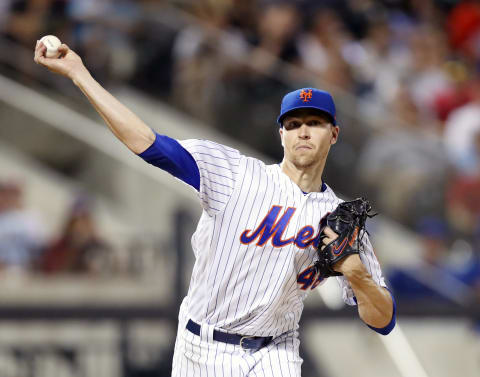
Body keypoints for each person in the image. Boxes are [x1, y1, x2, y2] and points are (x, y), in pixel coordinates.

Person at [34, 40, 395, 376]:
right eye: (293, 123)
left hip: (277, 350)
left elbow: (384, 321)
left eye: (314, 123)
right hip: (202, 347)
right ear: (280, 134)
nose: (303, 131)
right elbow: (149, 144)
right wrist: (80, 75)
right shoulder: (236, 174)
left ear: (333, 133)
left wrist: (356, 273)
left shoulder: (341, 219)